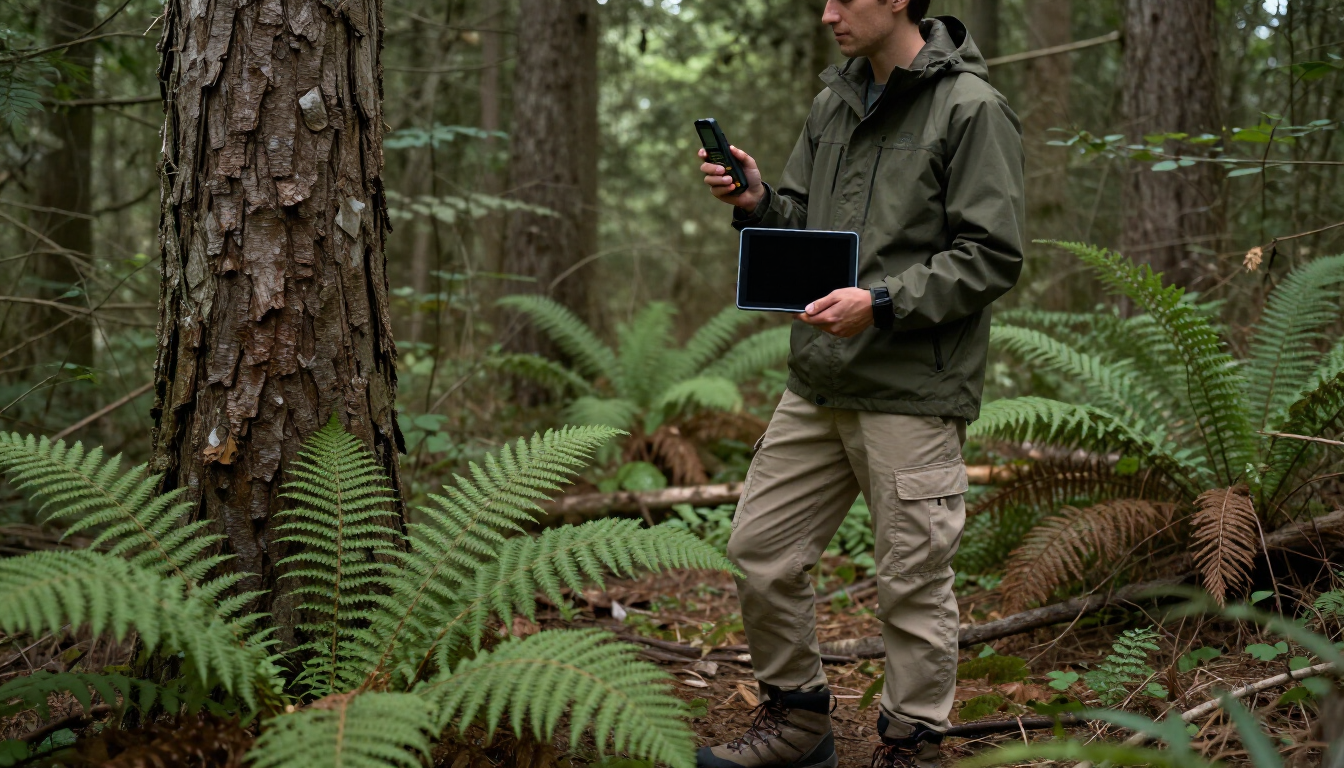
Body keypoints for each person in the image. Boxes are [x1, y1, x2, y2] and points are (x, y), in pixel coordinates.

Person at [694, 1, 1025, 767]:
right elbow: (808, 226)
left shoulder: (971, 108)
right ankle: (800, 722)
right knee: (760, 551)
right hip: (819, 378)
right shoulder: (834, 102)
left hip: (912, 386)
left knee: (911, 582)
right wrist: (757, 203)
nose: (827, 14)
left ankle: (912, 744)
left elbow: (991, 254)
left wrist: (880, 303)